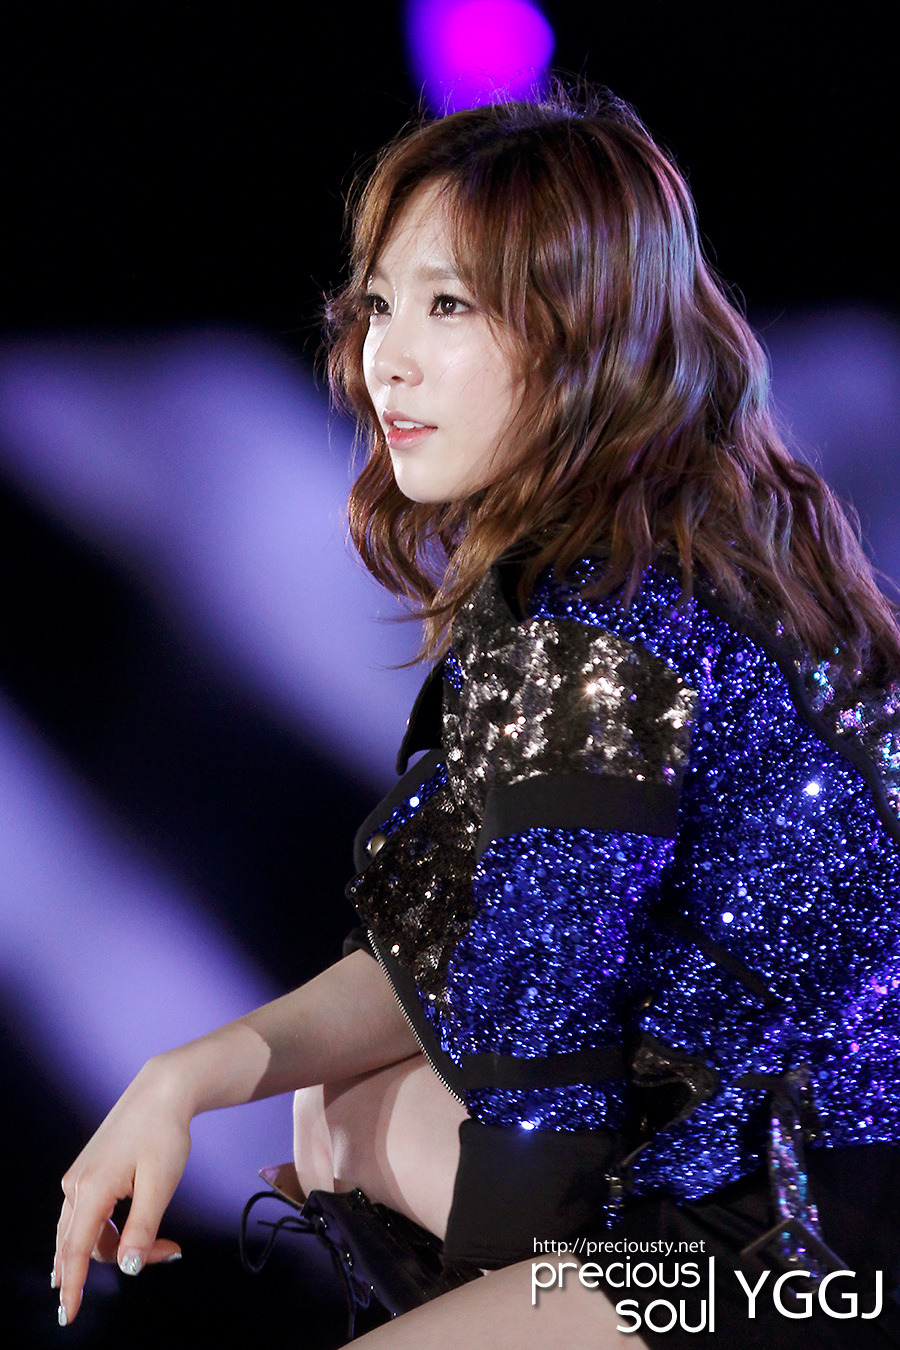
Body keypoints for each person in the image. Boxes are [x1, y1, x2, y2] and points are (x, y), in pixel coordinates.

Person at [54, 89, 900, 1347]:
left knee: (379, 1148)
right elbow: (451, 945)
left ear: (583, 330)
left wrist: (495, 1308)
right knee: (332, 1113)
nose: (385, 358)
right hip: (771, 1173)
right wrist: (186, 1074)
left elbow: (544, 1071)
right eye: (378, 304)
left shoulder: (603, 632)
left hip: (800, 1249)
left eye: (448, 305)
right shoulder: (657, 550)